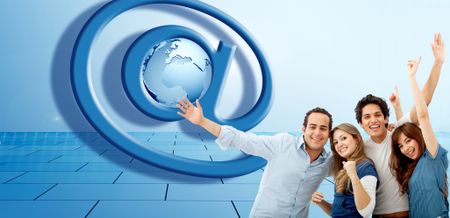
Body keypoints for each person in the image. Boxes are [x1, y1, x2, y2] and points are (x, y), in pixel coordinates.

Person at [177, 98, 333, 218]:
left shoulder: (329, 162)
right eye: (313, 127)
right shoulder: (283, 144)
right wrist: (202, 121)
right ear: (303, 129)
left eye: (323, 128)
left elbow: (352, 173)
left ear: (329, 134)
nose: (317, 133)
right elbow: (241, 139)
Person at [354, 33, 445, 217]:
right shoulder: (361, 150)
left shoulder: (399, 136)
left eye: (378, 115)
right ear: (361, 123)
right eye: (367, 117)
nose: (374, 120)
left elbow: (423, 104)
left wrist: (438, 64)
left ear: (386, 118)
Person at [389, 56, 449, 218]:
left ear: (418, 136)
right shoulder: (411, 167)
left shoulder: (433, 156)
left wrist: (412, 78)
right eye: (401, 146)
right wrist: (397, 107)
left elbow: (422, 115)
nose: (405, 148)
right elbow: (403, 130)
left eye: (408, 141)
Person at [312, 123, 378, 217]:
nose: (339, 144)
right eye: (335, 142)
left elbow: (366, 211)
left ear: (357, 139)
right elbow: (337, 213)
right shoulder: (342, 171)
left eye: (343, 138)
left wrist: (353, 176)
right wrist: (321, 202)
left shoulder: (366, 168)